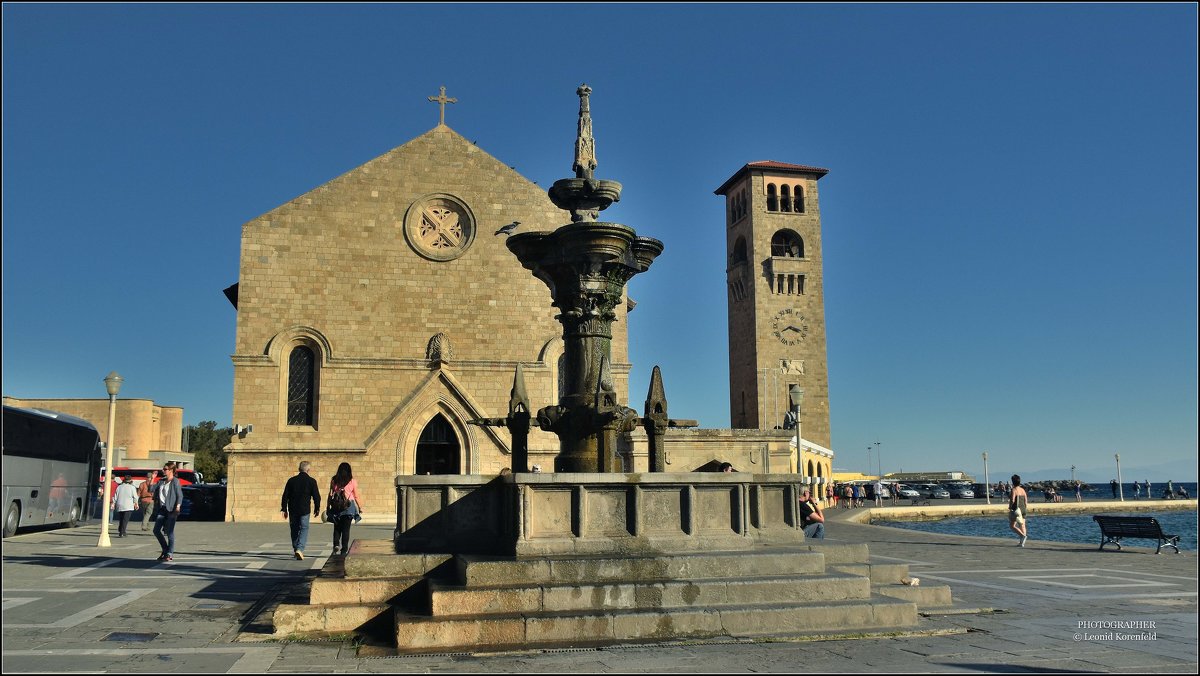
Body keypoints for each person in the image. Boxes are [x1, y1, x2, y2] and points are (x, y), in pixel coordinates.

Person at [281, 461, 321, 560]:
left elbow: (285, 495)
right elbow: (317, 497)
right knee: (304, 528)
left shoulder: (291, 480)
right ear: (308, 470)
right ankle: (300, 548)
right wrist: (317, 508)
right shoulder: (311, 481)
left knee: (294, 529)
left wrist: (284, 508)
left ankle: (296, 548)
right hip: (305, 509)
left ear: (299, 469)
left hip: (293, 509)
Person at [329, 462, 364, 557]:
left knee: (336, 528)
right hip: (349, 507)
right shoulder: (352, 481)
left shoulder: (334, 480)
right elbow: (356, 495)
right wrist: (360, 507)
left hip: (337, 507)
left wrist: (328, 506)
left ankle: (336, 544)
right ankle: (344, 549)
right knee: (346, 529)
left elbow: (331, 494)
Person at [152, 463, 184, 562]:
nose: (163, 470)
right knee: (156, 530)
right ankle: (165, 550)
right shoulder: (161, 481)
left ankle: (169, 553)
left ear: (171, 470)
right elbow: (151, 489)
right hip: (162, 509)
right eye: (163, 469)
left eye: (165, 469)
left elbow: (180, 495)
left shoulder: (175, 481)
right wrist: (153, 478)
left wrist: (178, 507)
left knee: (169, 532)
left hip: (171, 509)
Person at [112, 473, 138, 538]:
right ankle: (122, 532)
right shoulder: (132, 487)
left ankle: (120, 529)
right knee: (125, 520)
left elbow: (115, 496)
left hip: (120, 504)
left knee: (121, 519)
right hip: (128, 505)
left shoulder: (119, 487)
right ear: (130, 480)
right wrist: (136, 503)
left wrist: (113, 503)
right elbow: (135, 497)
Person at [1008, 474, 1029, 547]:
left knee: (1012, 525)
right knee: (1022, 525)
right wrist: (1025, 508)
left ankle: (1022, 536)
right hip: (1023, 509)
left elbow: (1012, 500)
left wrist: (1010, 507)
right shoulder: (1022, 490)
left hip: (1016, 510)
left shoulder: (1014, 490)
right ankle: (1022, 542)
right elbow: (1026, 501)